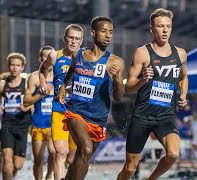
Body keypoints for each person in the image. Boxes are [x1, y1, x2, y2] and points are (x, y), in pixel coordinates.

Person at [117, 8, 188, 180]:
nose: (165, 30)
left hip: (166, 116)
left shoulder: (180, 53)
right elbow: (128, 88)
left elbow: (184, 76)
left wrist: (183, 95)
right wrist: (142, 80)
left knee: (172, 154)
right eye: (160, 26)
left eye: (168, 26)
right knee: (130, 169)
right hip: (142, 116)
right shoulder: (142, 52)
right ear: (152, 29)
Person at [58, 16, 125, 179]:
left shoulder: (115, 62)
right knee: (86, 149)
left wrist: (117, 80)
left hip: (98, 118)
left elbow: (118, 97)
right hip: (76, 112)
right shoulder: (78, 55)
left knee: (82, 158)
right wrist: (63, 86)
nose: (108, 35)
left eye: (111, 32)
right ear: (93, 33)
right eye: (104, 31)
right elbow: (71, 71)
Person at [39, 24, 84, 180]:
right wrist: (43, 83)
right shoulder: (55, 55)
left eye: (77, 39)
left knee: (72, 158)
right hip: (59, 109)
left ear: (81, 41)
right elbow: (43, 69)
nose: (73, 41)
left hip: (78, 112)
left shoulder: (86, 58)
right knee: (61, 152)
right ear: (65, 38)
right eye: (70, 37)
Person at [23, 46, 56, 180]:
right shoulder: (33, 77)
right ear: (40, 59)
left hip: (55, 123)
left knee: (54, 152)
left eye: (51, 57)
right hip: (38, 123)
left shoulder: (60, 76)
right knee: (38, 159)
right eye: (45, 57)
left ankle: (49, 175)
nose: (48, 60)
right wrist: (41, 96)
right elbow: (26, 101)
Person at [0, 52, 32, 180]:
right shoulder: (2, 84)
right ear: (8, 66)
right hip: (7, 124)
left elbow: (35, 101)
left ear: (22, 67)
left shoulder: (26, 84)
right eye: (12, 65)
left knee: (17, 165)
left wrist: (28, 106)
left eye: (18, 65)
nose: (14, 68)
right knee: (7, 159)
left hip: (22, 124)